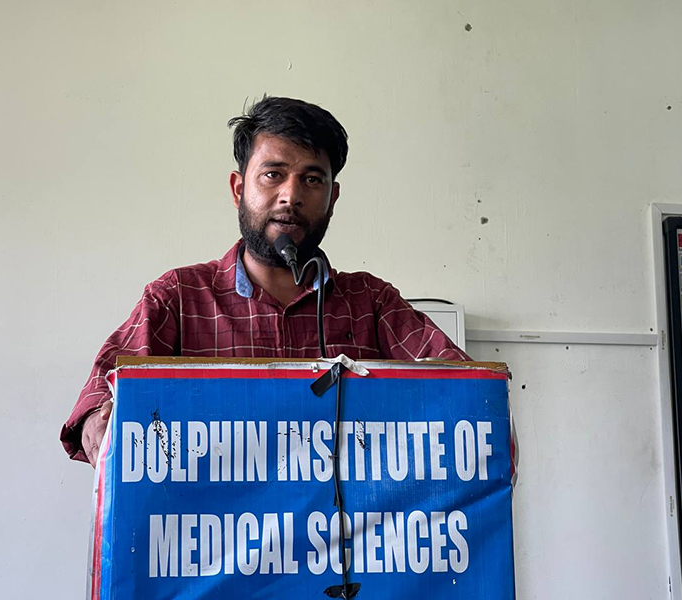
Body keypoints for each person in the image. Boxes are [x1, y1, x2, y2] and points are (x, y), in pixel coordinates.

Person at [60, 96, 471, 467]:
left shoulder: (371, 301)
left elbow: (468, 389)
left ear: (332, 198)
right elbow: (99, 397)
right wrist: (104, 425)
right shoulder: (178, 298)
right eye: (273, 174)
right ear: (238, 189)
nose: (291, 195)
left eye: (312, 179)